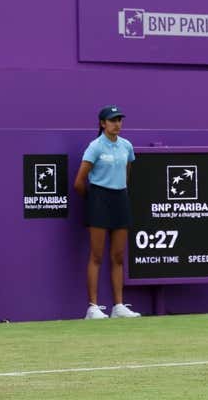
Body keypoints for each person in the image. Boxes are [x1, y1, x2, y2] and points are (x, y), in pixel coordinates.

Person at [73, 105, 140, 320]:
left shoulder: (127, 146)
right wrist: (94, 200)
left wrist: (118, 191)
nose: (117, 124)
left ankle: (118, 306)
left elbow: (127, 173)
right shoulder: (95, 147)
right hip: (99, 200)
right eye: (113, 120)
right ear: (103, 123)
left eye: (120, 120)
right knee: (97, 255)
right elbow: (79, 182)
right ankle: (93, 307)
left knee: (118, 256)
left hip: (120, 198)